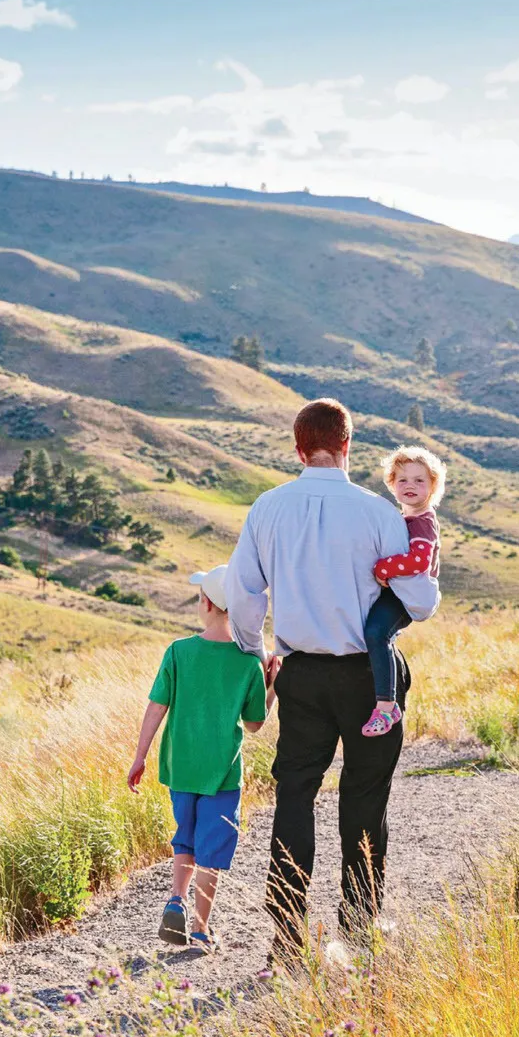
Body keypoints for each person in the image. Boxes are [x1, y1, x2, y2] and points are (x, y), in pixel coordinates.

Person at [225, 398, 440, 966]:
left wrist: (258, 652)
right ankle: (360, 929)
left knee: (294, 795)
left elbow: (244, 596)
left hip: (300, 673)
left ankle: (286, 935)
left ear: (299, 450)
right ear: (348, 445)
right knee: (365, 798)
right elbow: (420, 602)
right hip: (371, 678)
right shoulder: (378, 514)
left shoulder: (268, 508)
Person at [127, 564, 278, 953]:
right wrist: (272, 687)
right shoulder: (248, 663)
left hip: (180, 766)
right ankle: (199, 929)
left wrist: (140, 756)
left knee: (186, 838)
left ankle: (176, 899)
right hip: (222, 774)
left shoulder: (178, 652)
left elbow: (156, 707)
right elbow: (254, 724)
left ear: (207, 604)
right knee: (211, 851)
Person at [362, 445, 447, 738]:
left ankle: (386, 707)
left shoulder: (423, 521)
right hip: (396, 591)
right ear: (391, 484)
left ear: (433, 486)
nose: (410, 485)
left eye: (419, 480)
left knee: (376, 633)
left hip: (406, 595)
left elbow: (419, 561)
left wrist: (382, 568)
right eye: (403, 480)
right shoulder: (403, 517)